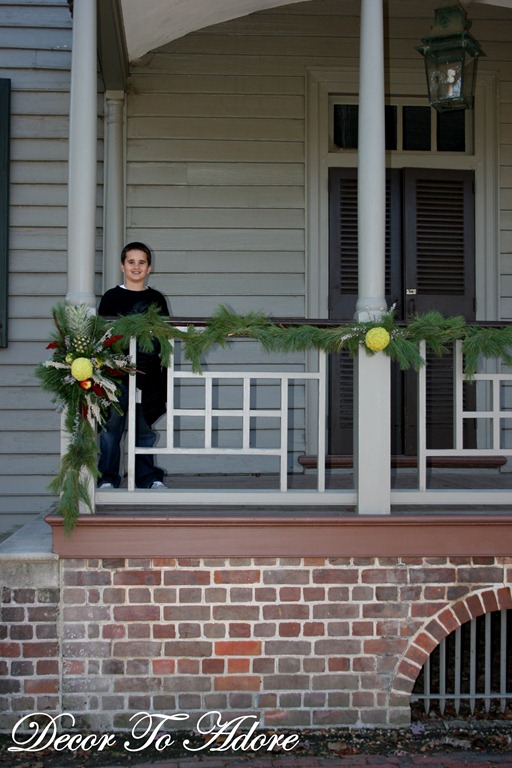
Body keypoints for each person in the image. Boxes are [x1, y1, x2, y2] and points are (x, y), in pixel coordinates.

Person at [97, 242, 170, 489]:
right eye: (131, 262)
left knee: (144, 430)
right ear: (122, 266)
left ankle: (147, 478)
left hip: (147, 376)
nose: (136, 267)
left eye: (141, 262)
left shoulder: (156, 299)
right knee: (110, 429)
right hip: (115, 373)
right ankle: (107, 477)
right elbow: (103, 336)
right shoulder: (111, 298)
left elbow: (163, 337)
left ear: (149, 268)